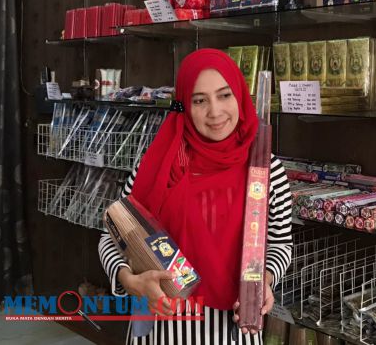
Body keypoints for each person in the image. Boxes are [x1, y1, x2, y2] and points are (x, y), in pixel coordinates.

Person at [98, 49, 293, 345]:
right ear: (185, 106)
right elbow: (111, 236)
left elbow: (279, 244)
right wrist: (132, 282)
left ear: (240, 95)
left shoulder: (265, 170)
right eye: (199, 100)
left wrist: (263, 281)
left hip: (233, 330)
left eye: (224, 95)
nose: (215, 112)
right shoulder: (157, 166)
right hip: (163, 329)